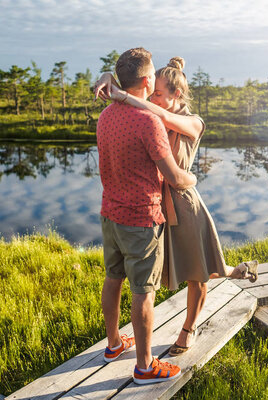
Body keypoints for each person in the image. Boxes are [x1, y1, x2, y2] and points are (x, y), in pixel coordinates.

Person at [95, 57, 258, 357]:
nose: (152, 98)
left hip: (183, 204)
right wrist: (110, 76)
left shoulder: (192, 122)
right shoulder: (153, 112)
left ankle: (189, 328)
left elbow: (157, 112)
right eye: (152, 92)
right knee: (161, 275)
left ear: (176, 95)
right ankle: (237, 271)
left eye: (159, 94)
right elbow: (136, 78)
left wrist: (122, 95)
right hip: (155, 205)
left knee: (200, 272)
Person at [96, 48, 197, 385]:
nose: (156, 79)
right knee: (143, 292)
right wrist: (192, 178)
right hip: (141, 220)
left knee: (114, 278)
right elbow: (174, 177)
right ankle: (144, 366)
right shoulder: (148, 121)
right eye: (153, 74)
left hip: (110, 213)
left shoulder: (107, 115)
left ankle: (113, 345)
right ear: (145, 80)